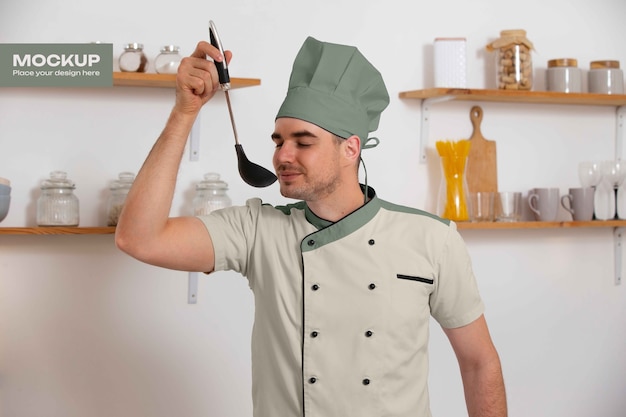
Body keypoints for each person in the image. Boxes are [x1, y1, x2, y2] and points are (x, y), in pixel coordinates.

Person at [116, 36, 507, 417]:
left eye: (303, 142)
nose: (282, 155)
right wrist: (185, 112)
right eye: (278, 140)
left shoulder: (432, 239)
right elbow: (139, 238)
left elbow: (478, 362)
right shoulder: (257, 230)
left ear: (350, 149)